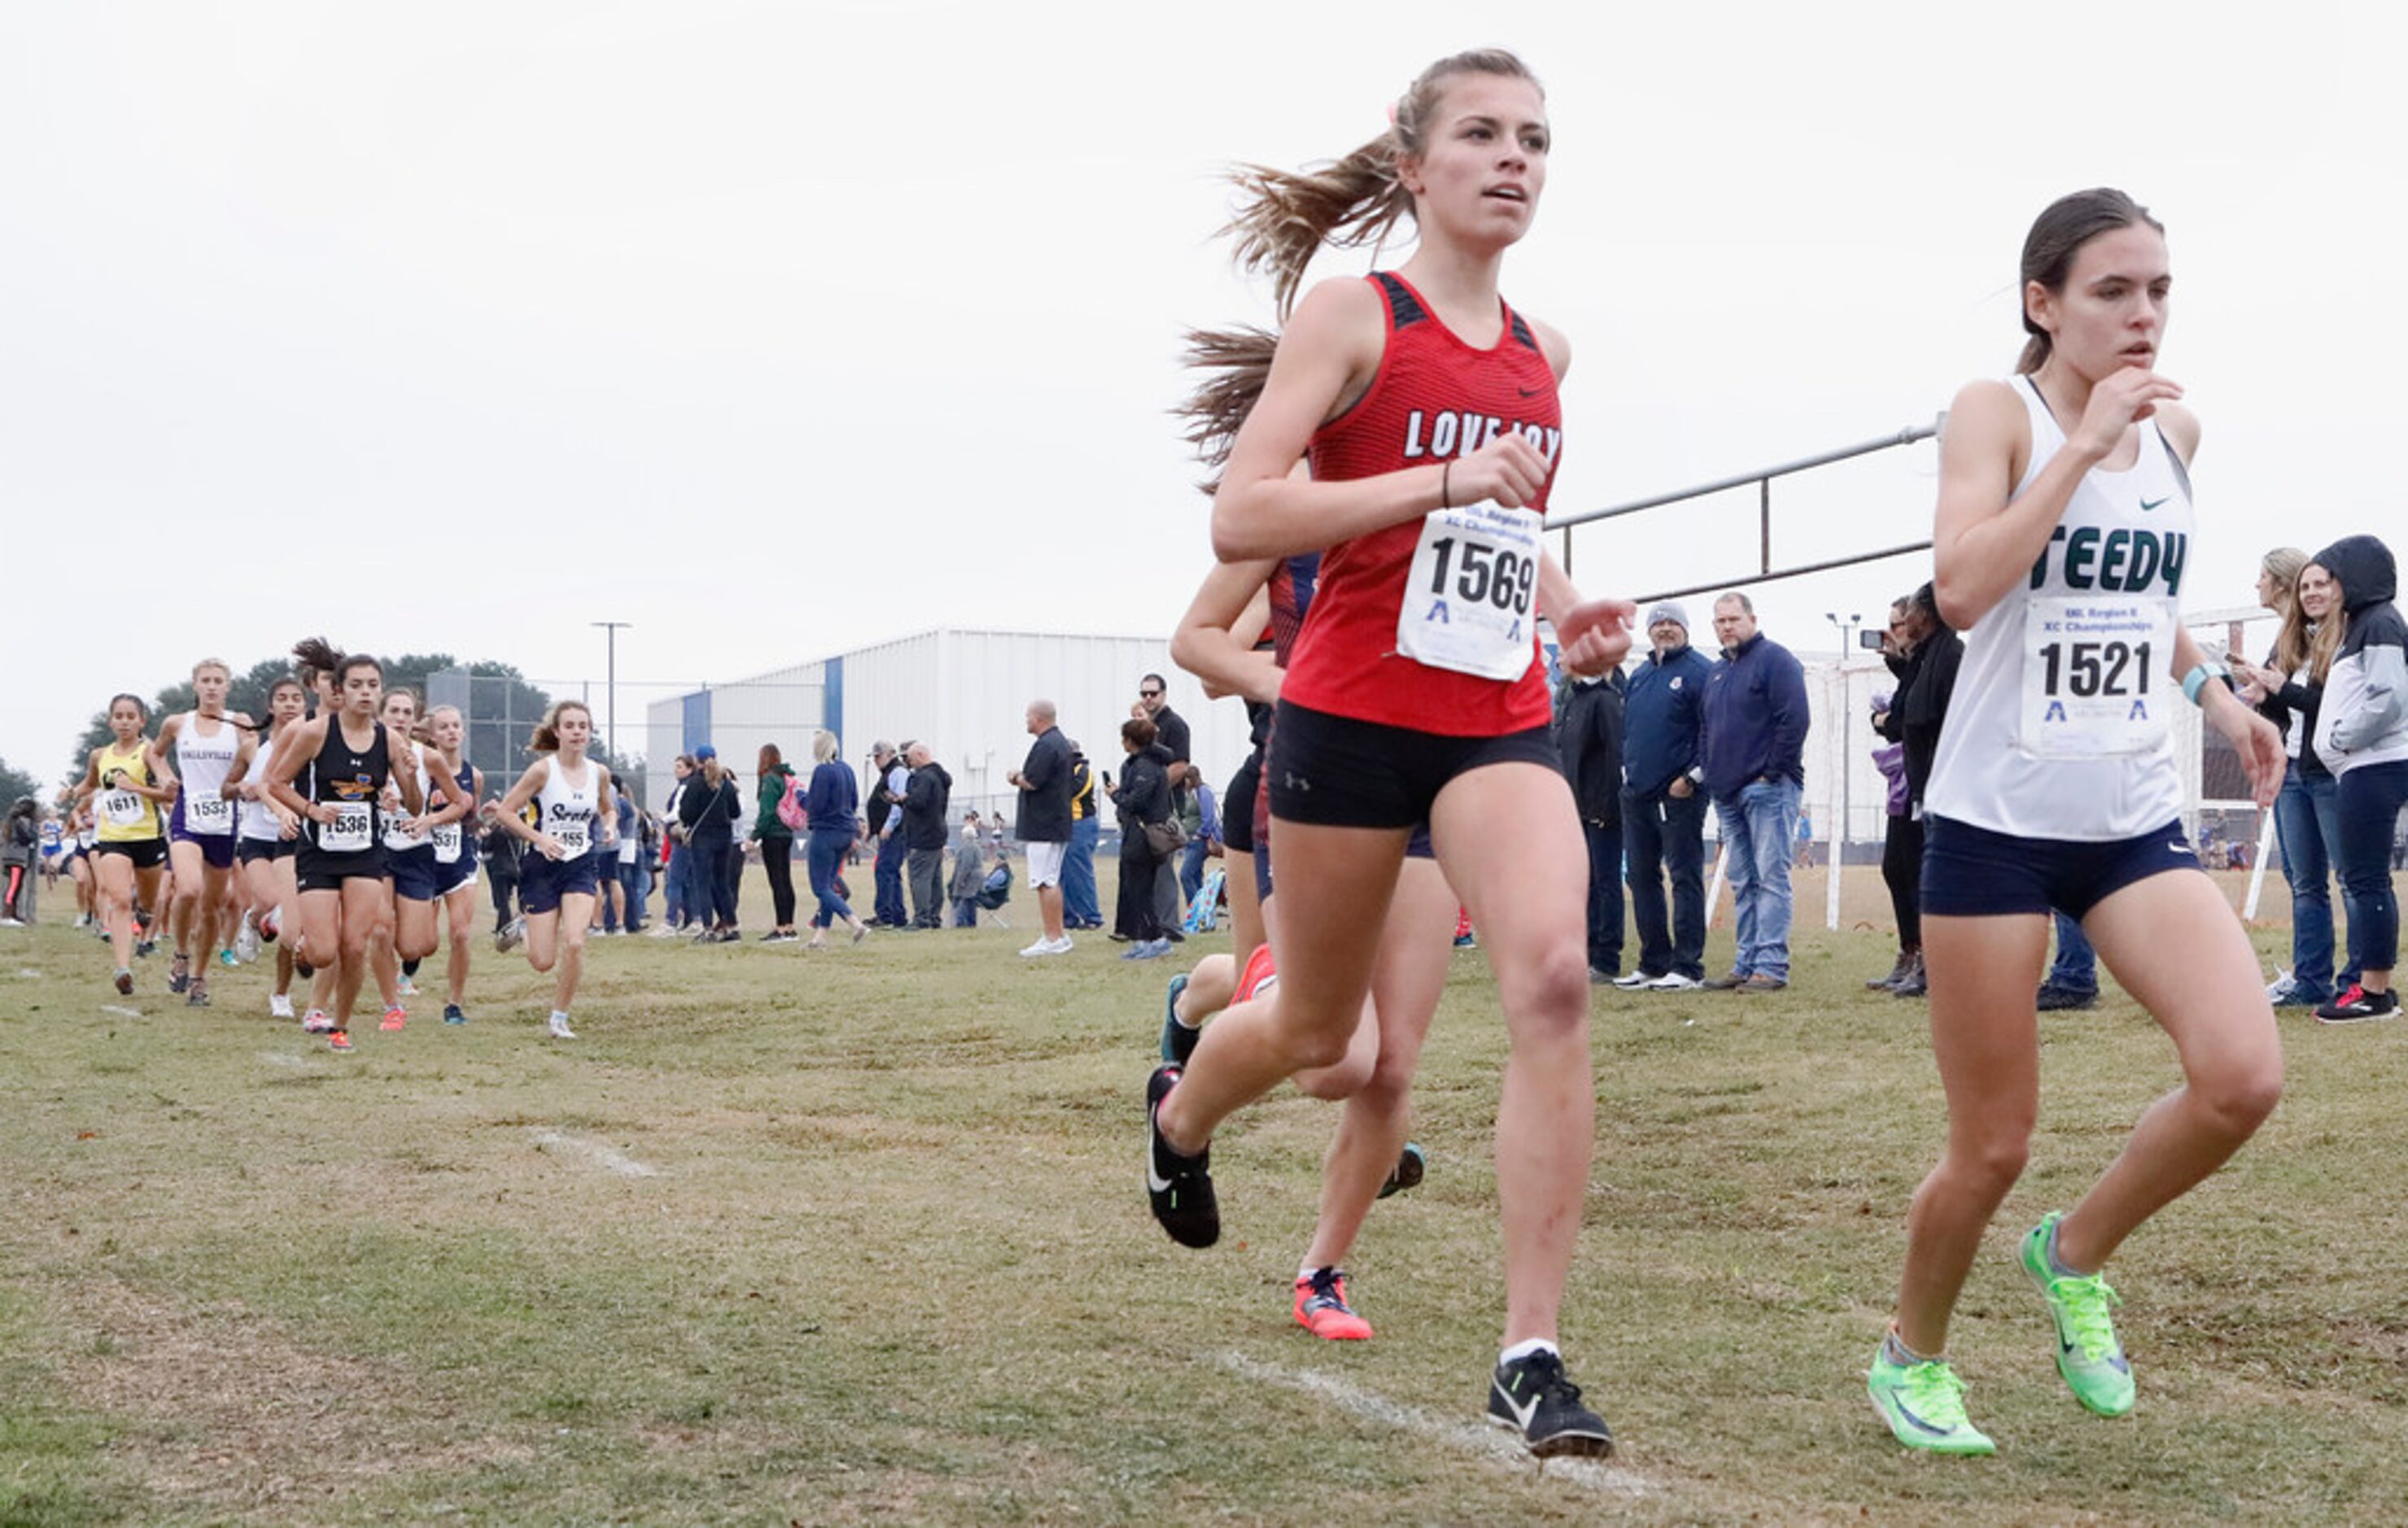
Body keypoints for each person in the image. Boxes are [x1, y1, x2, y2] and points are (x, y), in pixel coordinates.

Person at [1142, 49, 1634, 1457]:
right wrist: (1428, 476)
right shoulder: (1353, 312)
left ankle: (1527, 1352)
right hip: (1347, 720)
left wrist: (1564, 609)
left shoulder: (1544, 353)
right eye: (1479, 135)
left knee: (1548, 973)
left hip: (1491, 722)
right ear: (1410, 165)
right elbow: (1241, 517)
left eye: (1533, 139)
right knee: (1317, 1040)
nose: (1512, 159)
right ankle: (1180, 1121)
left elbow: (1491, 533)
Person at [1867, 188, 2286, 1457]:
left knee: (2240, 1075)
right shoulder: (1996, 412)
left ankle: (2073, 1252)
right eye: (2112, 290)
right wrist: (2076, 441)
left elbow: (2129, 594)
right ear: (2041, 303)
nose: (2143, 314)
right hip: (1992, 823)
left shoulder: (2176, 431)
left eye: (2157, 289)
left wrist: (2215, 695)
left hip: (2125, 816)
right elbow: (1962, 588)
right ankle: (1910, 1356)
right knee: (1990, 1142)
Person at [264, 646, 424, 1050]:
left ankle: (341, 1026)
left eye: (373, 685)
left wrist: (408, 776)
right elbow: (277, 783)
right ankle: (304, 943)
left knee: (355, 944)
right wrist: (311, 811)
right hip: (319, 853)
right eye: (356, 685)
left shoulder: (388, 740)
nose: (366, 693)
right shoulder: (315, 732)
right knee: (322, 952)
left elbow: (415, 806)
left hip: (365, 853)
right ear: (340, 690)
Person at [2231, 549, 2352, 1011]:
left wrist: (2282, 689)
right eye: (2306, 588)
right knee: (2304, 881)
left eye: (2262, 575)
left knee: (2349, 877)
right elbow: (2285, 707)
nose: (2256, 585)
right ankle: (2310, 980)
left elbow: (2326, 705)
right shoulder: (2287, 640)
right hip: (2293, 770)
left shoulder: (2339, 637)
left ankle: (2359, 980)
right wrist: (2261, 693)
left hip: (2328, 771)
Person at [2304, 535, 2407, 1022]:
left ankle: (2375, 993)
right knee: (2366, 878)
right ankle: (2373, 989)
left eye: (2336, 576)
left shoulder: (2381, 622)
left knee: (2366, 879)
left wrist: (2341, 737)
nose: (2331, 587)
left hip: (2375, 765)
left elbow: (2389, 696)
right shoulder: (2363, 624)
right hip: (2364, 766)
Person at [1699, 592, 1810, 992]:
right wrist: (1711, 773)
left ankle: (1771, 965)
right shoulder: (1716, 673)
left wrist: (1770, 772)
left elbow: (1794, 718)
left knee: (1770, 877)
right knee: (1742, 880)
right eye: (1720, 621)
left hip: (1768, 790)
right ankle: (1745, 962)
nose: (1727, 626)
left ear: (1752, 618)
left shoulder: (1776, 661)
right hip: (1726, 794)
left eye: (1733, 619)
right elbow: (1707, 728)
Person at [490, 700, 618, 1039]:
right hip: (541, 867)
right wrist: (540, 838)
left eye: (583, 726)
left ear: (590, 732)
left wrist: (609, 826)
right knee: (542, 962)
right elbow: (504, 812)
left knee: (575, 943)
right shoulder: (543, 771)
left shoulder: (599, 773)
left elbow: (609, 809)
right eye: (570, 726)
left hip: (580, 864)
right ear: (557, 731)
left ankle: (559, 1018)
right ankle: (523, 929)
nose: (577, 732)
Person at [1615, 601, 1713, 991]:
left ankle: (1687, 966)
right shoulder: (1639, 675)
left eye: (1673, 623)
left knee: (1684, 875)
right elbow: (1629, 731)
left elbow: (1713, 731)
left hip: (1679, 793)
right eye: (1659, 623)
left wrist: (1690, 777)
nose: (1666, 629)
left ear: (1686, 629)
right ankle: (1653, 962)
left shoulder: (1701, 673)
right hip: (1637, 793)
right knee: (1640, 877)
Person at [1883, 582, 1964, 1000]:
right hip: (1923, 786)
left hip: (1942, 786)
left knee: (1938, 881)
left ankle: (1940, 966)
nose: (1903, 622)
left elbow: (1947, 721)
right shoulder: (1925, 656)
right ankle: (1924, 959)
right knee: (1911, 874)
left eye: (1910, 612)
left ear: (1928, 614)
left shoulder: (1950, 655)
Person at [150, 659, 246, 1007]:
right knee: (188, 889)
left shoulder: (239, 723)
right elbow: (155, 754)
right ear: (194, 685)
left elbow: (254, 758)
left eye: (218, 681)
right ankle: (180, 953)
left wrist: (244, 784)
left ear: (227, 687)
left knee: (213, 906)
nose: (211, 687)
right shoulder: (178, 723)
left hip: (223, 822)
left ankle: (200, 978)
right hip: (187, 818)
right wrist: (163, 776)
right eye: (205, 680)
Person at [73, 694, 174, 996]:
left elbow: (169, 794)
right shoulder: (99, 755)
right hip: (113, 838)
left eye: (131, 716)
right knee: (119, 899)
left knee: (147, 902)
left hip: (148, 838)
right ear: (110, 721)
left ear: (142, 721)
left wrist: (136, 788)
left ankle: (144, 914)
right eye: (119, 716)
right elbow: (90, 784)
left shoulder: (150, 753)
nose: (125, 721)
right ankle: (122, 968)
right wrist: (72, 792)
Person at [1554, 655, 1626, 983]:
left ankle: (1607, 957)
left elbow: (1614, 756)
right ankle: (1584, 950)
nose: (1559, 660)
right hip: (1575, 807)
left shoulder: (1605, 700)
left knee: (1606, 882)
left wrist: (1607, 806)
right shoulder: (1573, 700)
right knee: (1583, 883)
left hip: (1600, 808)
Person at [1007, 699, 1074, 957]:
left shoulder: (1047, 745)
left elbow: (1032, 781)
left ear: (1040, 718)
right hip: (1053, 823)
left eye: (1028, 717)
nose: (1026, 721)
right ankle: (1058, 934)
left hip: (1044, 825)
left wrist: (1015, 776)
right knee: (1049, 879)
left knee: (1045, 880)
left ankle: (1053, 937)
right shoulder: (1059, 743)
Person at [1110, 717, 1176, 958]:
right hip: (1139, 836)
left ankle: (1155, 939)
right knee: (1137, 890)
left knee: (1140, 891)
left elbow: (1136, 801)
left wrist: (1115, 794)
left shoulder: (1145, 767)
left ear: (1131, 740)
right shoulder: (1146, 764)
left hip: (1142, 838)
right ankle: (1144, 938)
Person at [801, 729, 869, 950]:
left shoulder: (822, 771)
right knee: (829, 886)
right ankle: (820, 937)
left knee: (820, 887)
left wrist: (801, 798)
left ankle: (855, 923)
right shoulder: (846, 769)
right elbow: (854, 800)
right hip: (845, 831)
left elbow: (816, 805)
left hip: (826, 833)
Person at [675, 745, 741, 942]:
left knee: (703, 883)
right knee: (722, 883)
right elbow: (735, 812)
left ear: (697, 761)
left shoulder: (695, 783)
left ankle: (707, 928)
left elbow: (685, 813)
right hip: (724, 838)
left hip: (702, 839)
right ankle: (732, 926)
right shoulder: (725, 783)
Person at [900, 740, 951, 929]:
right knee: (935, 879)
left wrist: (905, 798)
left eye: (912, 760)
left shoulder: (923, 778)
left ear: (921, 756)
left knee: (919, 878)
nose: (910, 764)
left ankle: (922, 918)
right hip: (937, 831)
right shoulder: (941, 777)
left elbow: (919, 802)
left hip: (922, 834)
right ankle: (934, 917)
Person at [754, 743, 799, 942]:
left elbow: (767, 811)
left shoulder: (769, 780)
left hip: (772, 834)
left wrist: (754, 835)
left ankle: (781, 927)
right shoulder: (785, 778)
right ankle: (789, 925)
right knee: (786, 880)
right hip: (787, 833)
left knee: (777, 881)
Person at [1060, 743, 1105, 930]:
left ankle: (1091, 916)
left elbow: (1070, 792)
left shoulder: (1083, 771)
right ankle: (1069, 917)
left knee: (1080, 872)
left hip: (1080, 825)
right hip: (1064, 825)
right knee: (1063, 874)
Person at [866, 742, 910, 928]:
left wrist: (889, 826)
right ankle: (892, 914)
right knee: (888, 871)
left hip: (895, 832)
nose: (876, 761)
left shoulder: (897, 772)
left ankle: (888, 915)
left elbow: (898, 803)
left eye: (878, 756)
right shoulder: (888, 773)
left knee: (886, 870)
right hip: (888, 831)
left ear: (889, 755)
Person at [2, 798, 37, 926]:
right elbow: (26, 839)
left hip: (9, 856)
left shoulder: (11, 820)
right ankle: (7, 914)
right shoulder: (22, 822)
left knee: (15, 885)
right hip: (17, 857)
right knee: (14, 885)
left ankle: (13, 914)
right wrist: (33, 835)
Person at [948, 812, 986, 928]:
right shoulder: (976, 846)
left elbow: (965, 866)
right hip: (977, 876)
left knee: (963, 899)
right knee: (970, 901)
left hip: (970, 878)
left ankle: (962, 922)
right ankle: (971, 922)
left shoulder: (967, 847)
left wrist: (960, 881)